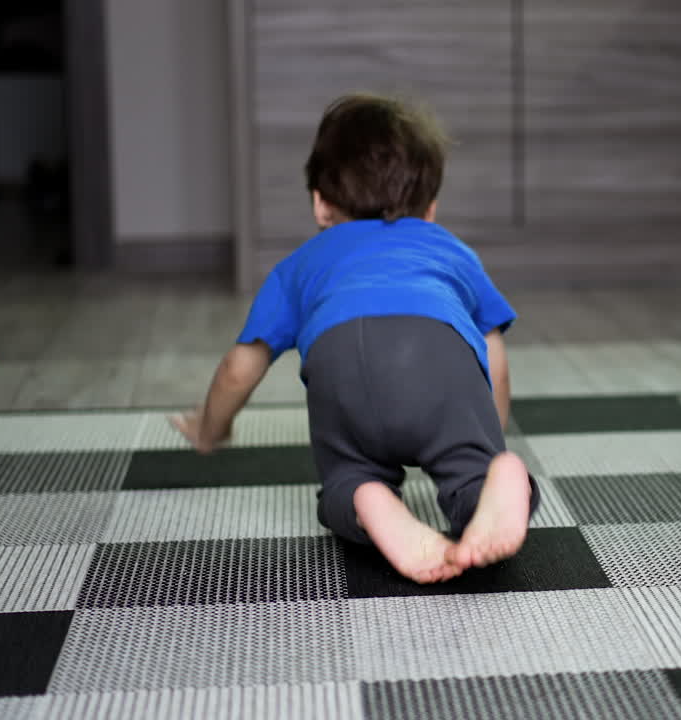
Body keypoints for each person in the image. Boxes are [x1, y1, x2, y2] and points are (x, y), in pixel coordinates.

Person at [170, 93, 538, 584]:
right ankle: (486, 493)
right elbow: (493, 351)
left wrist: (210, 427)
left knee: (345, 478)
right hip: (439, 355)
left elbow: (242, 364)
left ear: (321, 204)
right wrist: (489, 438)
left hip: (339, 362)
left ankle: (368, 500)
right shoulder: (450, 251)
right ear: (430, 210)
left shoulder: (301, 264)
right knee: (474, 471)